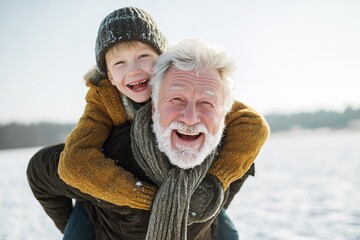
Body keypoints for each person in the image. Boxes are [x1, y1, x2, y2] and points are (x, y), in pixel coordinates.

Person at [27, 38, 269, 239]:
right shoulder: (110, 152)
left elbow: (252, 127)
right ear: (154, 103)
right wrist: (78, 226)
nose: (191, 118)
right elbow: (46, 171)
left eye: (206, 103)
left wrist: (211, 192)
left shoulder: (232, 151)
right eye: (176, 99)